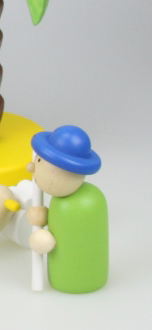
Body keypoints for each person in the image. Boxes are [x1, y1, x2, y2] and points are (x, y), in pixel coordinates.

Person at [27, 125, 107, 293]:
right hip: (62, 275)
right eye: (38, 160)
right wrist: (42, 216)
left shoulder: (88, 202)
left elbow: (67, 241)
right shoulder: (59, 202)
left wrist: (43, 240)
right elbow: (59, 227)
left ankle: (83, 281)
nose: (31, 167)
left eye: (39, 161)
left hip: (78, 277)